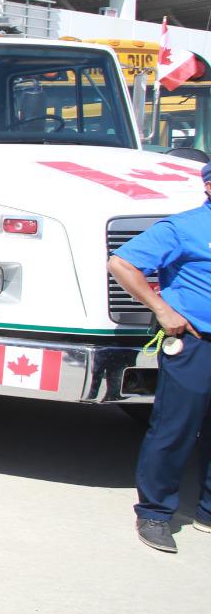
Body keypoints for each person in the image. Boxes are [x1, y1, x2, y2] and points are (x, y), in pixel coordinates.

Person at [106, 161, 211, 553]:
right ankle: (154, 513)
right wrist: (163, 310)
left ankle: (207, 512)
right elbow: (122, 263)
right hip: (197, 344)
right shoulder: (183, 228)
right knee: (175, 430)